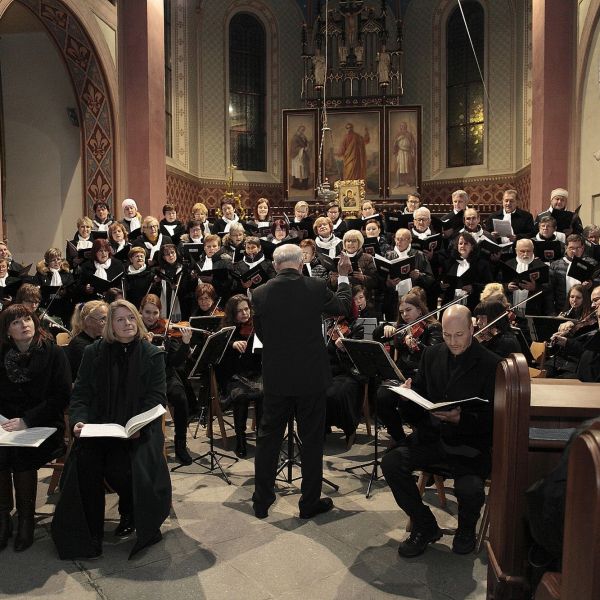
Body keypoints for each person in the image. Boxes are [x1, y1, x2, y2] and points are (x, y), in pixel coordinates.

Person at [52, 300, 171, 559]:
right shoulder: (93, 352)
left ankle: (130, 511)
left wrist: (139, 425)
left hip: (140, 429)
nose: (127, 323)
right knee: (85, 461)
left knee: (122, 466)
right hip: (100, 427)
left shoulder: (152, 354)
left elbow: (156, 397)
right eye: (120, 319)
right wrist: (78, 421)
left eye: (131, 317)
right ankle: (91, 532)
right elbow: (81, 393)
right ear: (110, 326)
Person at [381, 304, 501, 557]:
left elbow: (495, 420)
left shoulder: (492, 364)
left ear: (472, 329)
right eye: (447, 335)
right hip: (432, 438)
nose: (453, 341)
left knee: (470, 489)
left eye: (459, 335)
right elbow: (419, 406)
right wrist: (407, 398)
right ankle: (425, 525)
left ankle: (466, 530)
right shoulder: (432, 354)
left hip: (470, 445)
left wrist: (460, 419)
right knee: (391, 462)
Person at [251, 245, 352, 519]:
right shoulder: (315, 287)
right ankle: (309, 503)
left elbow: (262, 335)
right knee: (311, 441)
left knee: (268, 440)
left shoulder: (259, 293)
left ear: (275, 266)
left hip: (277, 377)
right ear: (300, 263)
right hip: (310, 377)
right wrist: (343, 277)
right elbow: (343, 307)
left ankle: (262, 502)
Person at [0, 304, 71, 552]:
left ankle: (26, 520)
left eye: (28, 319)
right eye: (16, 322)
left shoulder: (52, 353)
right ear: (7, 331)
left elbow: (61, 396)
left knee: (21, 454)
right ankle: (3, 518)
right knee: (1, 452)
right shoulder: (2, 354)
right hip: (8, 425)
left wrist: (27, 420)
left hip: (44, 424)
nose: (24, 325)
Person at [374, 291, 443, 446]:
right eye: (401, 312)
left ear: (419, 309)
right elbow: (377, 336)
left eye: (408, 310)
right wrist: (385, 327)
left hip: (422, 377)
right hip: (402, 375)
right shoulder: (402, 328)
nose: (404, 315)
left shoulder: (433, 327)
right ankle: (399, 438)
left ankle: (422, 435)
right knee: (381, 397)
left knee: (408, 402)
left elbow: (434, 355)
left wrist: (417, 344)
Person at [140, 294, 193, 464]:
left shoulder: (166, 330)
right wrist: (146, 346)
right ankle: (149, 445)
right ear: (140, 311)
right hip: (144, 379)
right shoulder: (134, 330)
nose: (151, 317)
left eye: (155, 313)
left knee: (181, 398)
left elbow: (175, 362)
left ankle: (180, 445)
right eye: (147, 312)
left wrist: (185, 343)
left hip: (166, 375)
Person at [216, 295, 263, 457]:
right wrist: (232, 344)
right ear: (232, 313)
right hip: (233, 376)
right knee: (240, 395)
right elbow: (218, 357)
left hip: (255, 374)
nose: (245, 313)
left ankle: (262, 436)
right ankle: (240, 439)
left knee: (265, 393)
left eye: (246, 309)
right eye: (240, 311)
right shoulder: (226, 330)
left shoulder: (256, 326)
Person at [64, 300, 109, 380]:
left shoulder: (98, 339)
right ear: (88, 321)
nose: (107, 323)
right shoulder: (80, 346)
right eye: (103, 319)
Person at [392, 122, 416, 187]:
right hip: (400, 152)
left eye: (404, 126)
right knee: (398, 168)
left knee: (407, 168)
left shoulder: (409, 134)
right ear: (400, 127)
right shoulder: (398, 134)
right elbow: (394, 143)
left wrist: (413, 152)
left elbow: (413, 144)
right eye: (402, 126)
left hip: (407, 152)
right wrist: (398, 139)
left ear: (406, 126)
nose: (403, 127)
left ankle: (406, 182)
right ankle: (398, 183)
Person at [290, 126, 311, 190]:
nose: (302, 132)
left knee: (305, 170)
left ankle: (304, 185)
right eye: (301, 130)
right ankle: (297, 184)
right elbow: (294, 147)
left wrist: (307, 145)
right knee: (298, 171)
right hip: (297, 156)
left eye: (303, 130)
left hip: (303, 155)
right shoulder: (295, 138)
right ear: (298, 130)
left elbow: (306, 143)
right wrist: (303, 149)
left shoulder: (303, 137)